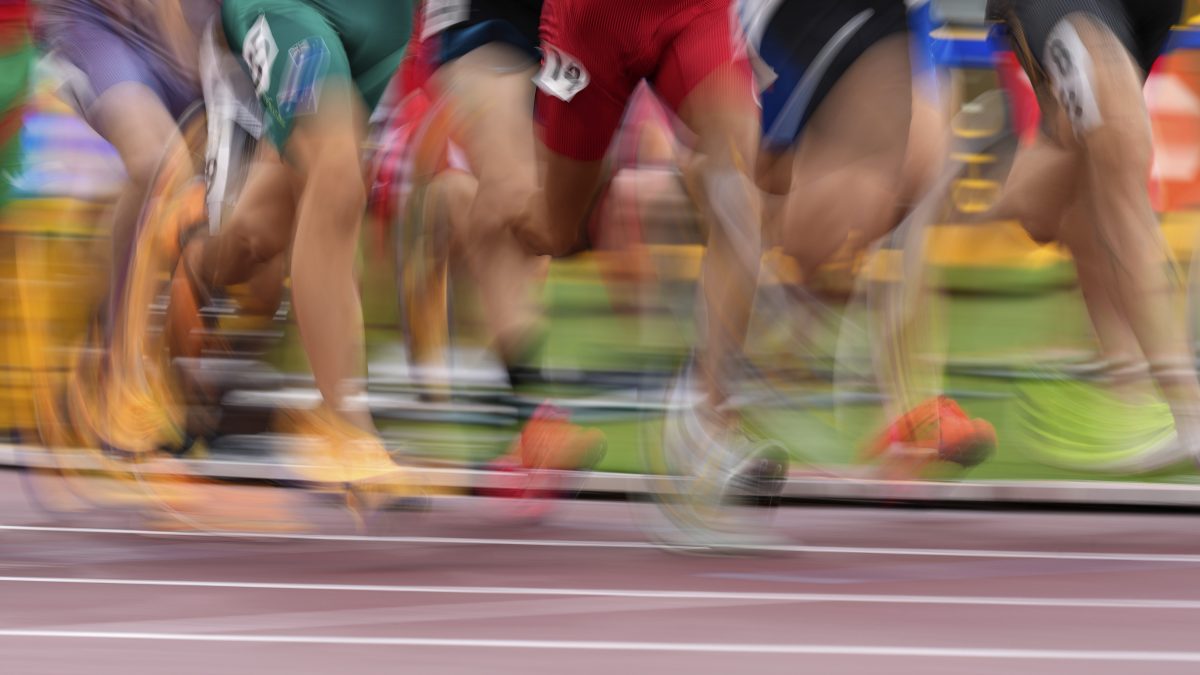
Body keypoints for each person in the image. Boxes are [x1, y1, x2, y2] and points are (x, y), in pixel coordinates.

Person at [740, 0, 996, 477]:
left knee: (926, 167)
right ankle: (739, 375)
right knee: (786, 220)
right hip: (784, 22)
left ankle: (912, 407)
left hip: (900, 15)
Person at [986, 0, 1200, 461]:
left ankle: (1133, 390)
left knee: (1067, 185)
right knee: (1118, 175)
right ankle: (1185, 411)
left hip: (1149, 14)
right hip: (1071, 6)